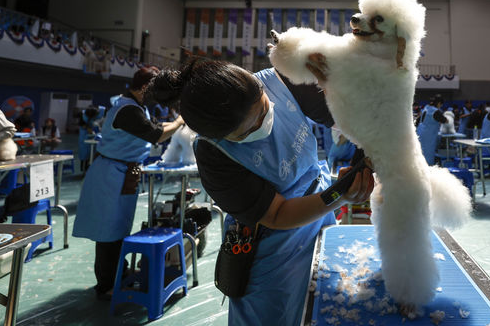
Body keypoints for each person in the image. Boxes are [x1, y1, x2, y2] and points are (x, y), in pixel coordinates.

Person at [145, 59, 373, 326]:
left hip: (319, 219)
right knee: (276, 314)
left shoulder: (282, 80)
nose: (263, 124)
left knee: (318, 306)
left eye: (264, 108)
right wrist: (339, 195)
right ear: (222, 137)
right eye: (250, 130)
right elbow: (277, 214)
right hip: (273, 248)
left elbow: (346, 117)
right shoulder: (213, 155)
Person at [72, 67, 185, 300]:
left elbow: (156, 127)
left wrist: (173, 122)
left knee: (120, 227)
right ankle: (106, 285)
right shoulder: (126, 110)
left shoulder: (136, 106)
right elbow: (157, 135)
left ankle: (118, 273)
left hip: (126, 171)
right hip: (111, 173)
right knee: (108, 232)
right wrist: (181, 121)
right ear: (145, 88)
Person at [416, 95, 447, 164]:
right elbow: (445, 120)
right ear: (439, 103)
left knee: (419, 154)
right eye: (441, 105)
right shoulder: (435, 111)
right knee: (427, 155)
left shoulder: (426, 108)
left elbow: (418, 120)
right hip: (428, 137)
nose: (440, 106)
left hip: (420, 133)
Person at [78, 105, 106, 172]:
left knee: (94, 151)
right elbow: (85, 126)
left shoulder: (103, 111)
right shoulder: (83, 116)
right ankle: (84, 168)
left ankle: (93, 168)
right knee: (84, 152)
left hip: (95, 135)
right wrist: (90, 130)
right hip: (84, 135)